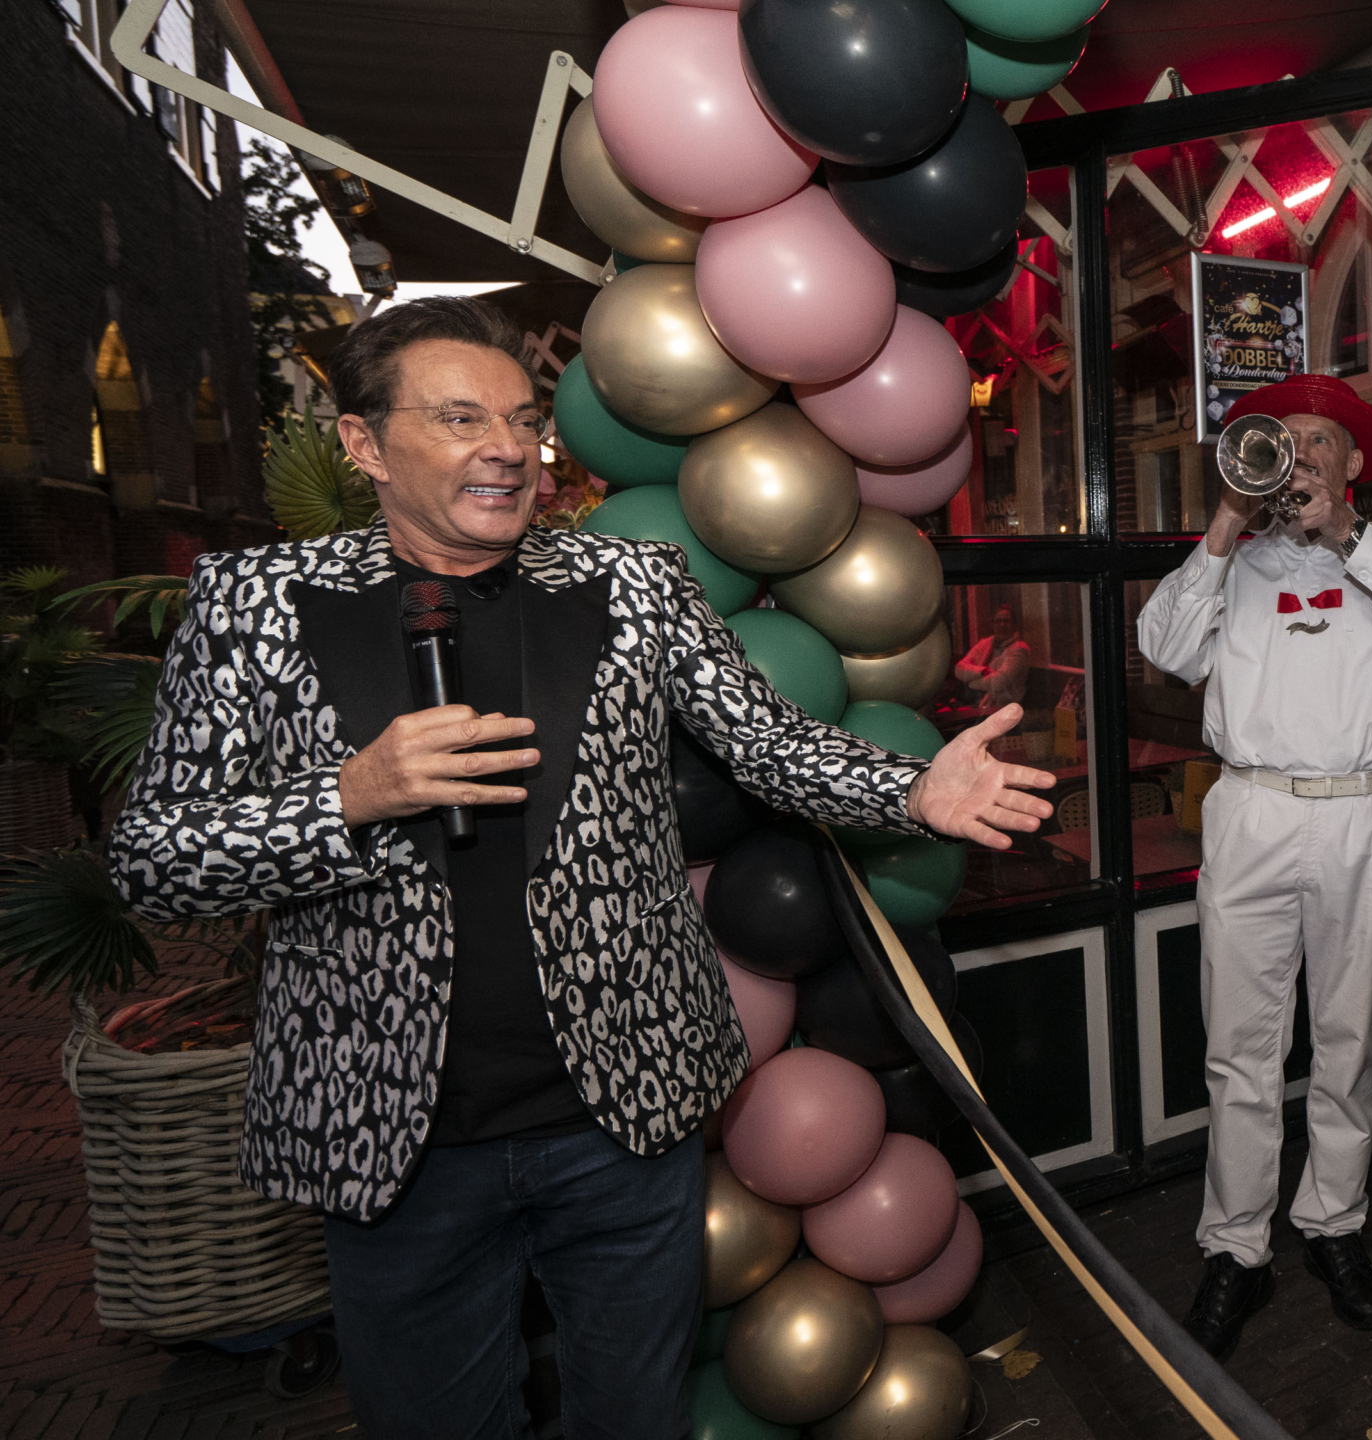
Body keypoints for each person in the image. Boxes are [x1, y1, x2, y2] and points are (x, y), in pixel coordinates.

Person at [105, 298, 1056, 1440]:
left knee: (635, 1418)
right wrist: (349, 797)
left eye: (518, 420)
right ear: (363, 444)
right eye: (460, 419)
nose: (506, 447)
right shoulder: (252, 605)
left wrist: (910, 791)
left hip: (621, 1117)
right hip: (396, 1138)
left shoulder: (633, 585)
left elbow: (767, 746)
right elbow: (155, 861)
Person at [1135, 373, 1372, 1360]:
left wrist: (1349, 539)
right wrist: (1221, 526)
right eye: (1281, 442)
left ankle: (1333, 1222)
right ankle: (1236, 1249)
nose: (1299, 458)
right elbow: (1162, 645)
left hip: (1369, 813)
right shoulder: (1232, 563)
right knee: (1239, 1048)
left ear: (1354, 466)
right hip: (1253, 811)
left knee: (1347, 1038)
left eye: (1318, 443)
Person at [954, 601, 1033, 715]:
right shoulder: (985, 643)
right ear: (992, 625)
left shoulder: (1020, 649)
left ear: (1015, 624)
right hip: (977, 705)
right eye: (998, 621)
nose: (1002, 625)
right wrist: (983, 671)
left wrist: (969, 683)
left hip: (1002, 708)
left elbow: (998, 682)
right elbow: (958, 669)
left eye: (1006, 621)